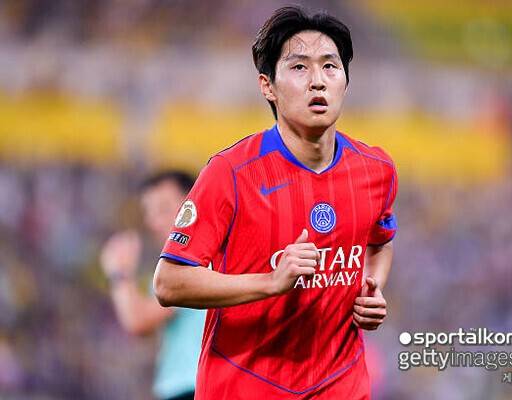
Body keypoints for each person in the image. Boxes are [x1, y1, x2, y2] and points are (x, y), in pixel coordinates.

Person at [153, 6, 397, 400]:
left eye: (330, 66)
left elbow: (381, 240)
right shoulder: (231, 172)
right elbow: (169, 282)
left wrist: (373, 290)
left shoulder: (376, 169)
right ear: (267, 86)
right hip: (244, 385)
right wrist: (270, 282)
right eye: (299, 67)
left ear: (346, 81)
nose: (318, 81)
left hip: (341, 384)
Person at [101, 171, 205, 400]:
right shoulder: (177, 266)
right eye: (149, 213)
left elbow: (138, 321)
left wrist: (119, 273)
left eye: (164, 209)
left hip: (192, 387)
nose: (153, 222)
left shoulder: (193, 262)